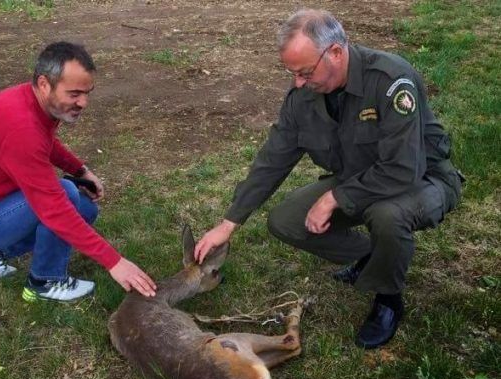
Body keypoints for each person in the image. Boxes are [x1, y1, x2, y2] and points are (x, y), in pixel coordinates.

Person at [194, 9, 463, 349]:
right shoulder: (304, 95)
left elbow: (402, 168)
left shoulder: (390, 80)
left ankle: (388, 298)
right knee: (286, 221)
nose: (298, 82)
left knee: (388, 215)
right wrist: (229, 222)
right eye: (292, 73)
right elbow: (273, 158)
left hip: (423, 178)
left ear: (335, 52)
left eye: (305, 72)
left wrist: (334, 198)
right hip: (361, 179)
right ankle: (374, 256)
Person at [0, 41, 156, 303]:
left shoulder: (31, 102)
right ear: (44, 83)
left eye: (87, 92)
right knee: (65, 196)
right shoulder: (21, 129)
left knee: (85, 209)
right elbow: (53, 207)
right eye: (74, 94)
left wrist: (79, 169)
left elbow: (45, 142)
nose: (83, 102)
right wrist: (115, 262)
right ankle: (44, 282)